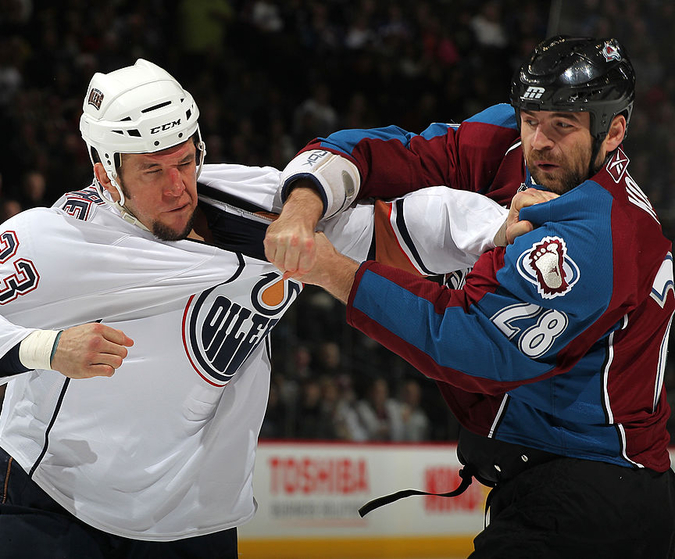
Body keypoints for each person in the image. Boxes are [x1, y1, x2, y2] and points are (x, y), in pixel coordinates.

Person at [0, 59, 534, 558]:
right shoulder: (50, 242)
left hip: (191, 525)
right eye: (153, 171)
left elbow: (399, 227)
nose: (179, 187)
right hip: (48, 509)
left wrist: (498, 226)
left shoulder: (257, 202)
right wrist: (43, 349)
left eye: (186, 160)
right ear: (105, 170)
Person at [265, 36, 675, 557]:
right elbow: (385, 153)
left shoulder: (600, 235)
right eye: (532, 119)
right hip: (550, 486)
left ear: (614, 129)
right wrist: (301, 206)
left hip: (595, 502)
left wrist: (333, 271)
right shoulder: (506, 142)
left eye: (563, 126)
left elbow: (472, 345)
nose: (539, 142)